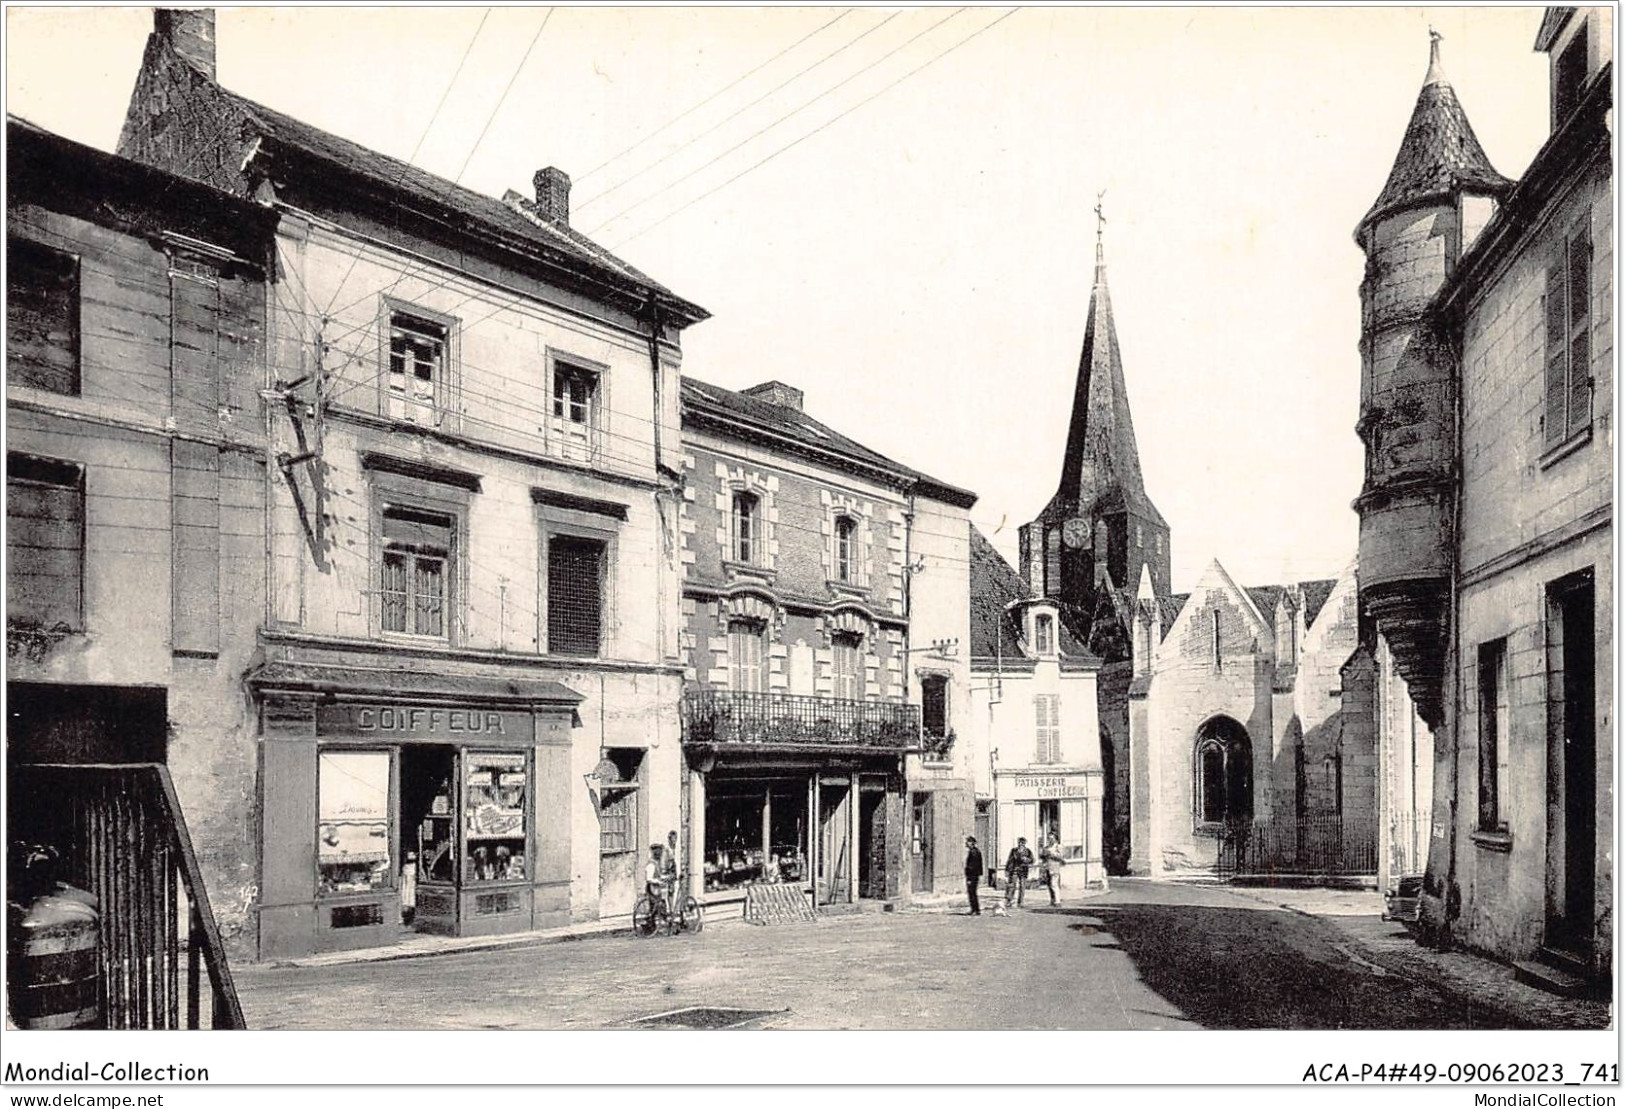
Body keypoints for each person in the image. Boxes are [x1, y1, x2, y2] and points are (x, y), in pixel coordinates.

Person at [1004, 837, 1034, 909]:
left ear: (1024, 844)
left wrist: (1027, 859)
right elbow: (1009, 860)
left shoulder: (1028, 851)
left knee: (1022, 886)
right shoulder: (1014, 850)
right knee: (1012, 885)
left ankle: (1020, 902)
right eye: (1019, 842)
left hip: (1023, 870)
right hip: (1014, 869)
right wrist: (1007, 870)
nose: (1020, 844)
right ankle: (1010, 900)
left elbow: (1032, 860)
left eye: (1022, 843)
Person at [963, 836, 984, 916]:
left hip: (972, 875)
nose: (966, 843)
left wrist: (969, 875)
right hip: (975, 875)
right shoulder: (976, 851)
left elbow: (973, 865)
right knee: (973, 892)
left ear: (971, 843)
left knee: (972, 892)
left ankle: (975, 909)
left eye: (967, 841)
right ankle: (975, 909)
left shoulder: (973, 852)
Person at [1041, 836, 1065, 906]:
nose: (1050, 840)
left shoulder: (1058, 847)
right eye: (1049, 838)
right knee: (1049, 885)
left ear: (1055, 839)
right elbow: (1043, 858)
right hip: (1047, 867)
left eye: (1052, 839)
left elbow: (1061, 856)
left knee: (1054, 884)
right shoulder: (1046, 847)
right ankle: (1052, 900)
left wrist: (1052, 854)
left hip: (1055, 867)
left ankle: (1057, 901)